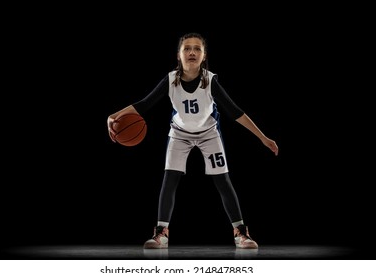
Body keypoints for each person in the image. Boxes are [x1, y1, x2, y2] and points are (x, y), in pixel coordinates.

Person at [107, 32, 279, 250]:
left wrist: (263, 137)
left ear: (204, 55)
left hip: (209, 133)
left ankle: (241, 232)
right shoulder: (170, 80)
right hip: (179, 133)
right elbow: (144, 104)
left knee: (223, 181)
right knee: (170, 179)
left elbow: (235, 112)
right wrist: (113, 115)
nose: (192, 52)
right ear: (178, 55)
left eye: (197, 48)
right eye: (187, 48)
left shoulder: (210, 80)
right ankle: (161, 233)